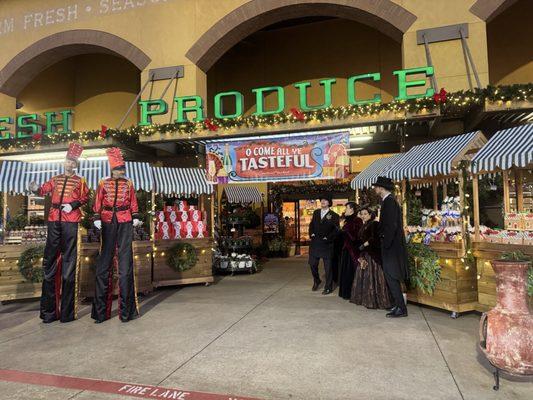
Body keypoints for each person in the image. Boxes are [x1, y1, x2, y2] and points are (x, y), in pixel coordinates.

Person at [29, 143, 89, 323]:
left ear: (76, 165)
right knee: (50, 261)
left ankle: (67, 314)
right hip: (54, 219)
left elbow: (86, 197)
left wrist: (74, 204)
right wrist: (34, 189)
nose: (69, 164)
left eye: (72, 162)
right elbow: (43, 190)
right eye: (68, 161)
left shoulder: (81, 181)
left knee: (69, 261)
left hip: (71, 220)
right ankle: (48, 313)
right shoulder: (54, 179)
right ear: (64, 162)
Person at [91, 148, 142, 323]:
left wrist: (135, 216)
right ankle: (100, 313)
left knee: (125, 263)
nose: (120, 171)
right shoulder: (103, 183)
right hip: (106, 221)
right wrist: (96, 217)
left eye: (122, 169)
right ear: (111, 169)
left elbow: (133, 201)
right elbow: (97, 201)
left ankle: (126, 312)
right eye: (118, 169)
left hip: (125, 221)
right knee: (104, 263)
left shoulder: (129, 184)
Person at [372, 176, 409, 318]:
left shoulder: (390, 202)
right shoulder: (388, 201)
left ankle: (401, 308)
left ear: (381, 188)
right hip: (390, 245)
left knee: (391, 275)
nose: (375, 189)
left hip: (391, 247)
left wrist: (385, 242)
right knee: (390, 275)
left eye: (376, 187)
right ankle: (398, 304)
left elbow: (392, 226)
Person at [351, 205, 393, 309]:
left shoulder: (374, 224)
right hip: (365, 253)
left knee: (375, 278)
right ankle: (368, 300)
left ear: (370, 214)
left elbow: (375, 238)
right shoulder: (364, 225)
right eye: (362, 214)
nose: (363, 216)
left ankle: (378, 301)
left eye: (366, 214)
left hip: (373, 255)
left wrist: (365, 244)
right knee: (366, 278)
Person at [308, 196, 340, 295]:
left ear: (329, 202)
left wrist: (328, 238)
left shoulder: (334, 215)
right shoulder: (316, 212)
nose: (323, 201)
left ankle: (328, 287)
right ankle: (317, 280)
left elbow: (336, 230)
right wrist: (311, 233)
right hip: (315, 243)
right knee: (312, 264)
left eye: (325, 200)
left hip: (327, 244)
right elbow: (311, 225)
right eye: (321, 200)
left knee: (328, 267)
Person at [338, 202, 363, 300]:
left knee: (351, 272)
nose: (345, 210)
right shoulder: (347, 221)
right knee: (346, 272)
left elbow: (356, 237)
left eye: (347, 208)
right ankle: (346, 292)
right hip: (346, 250)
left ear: (352, 209)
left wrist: (345, 230)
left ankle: (353, 293)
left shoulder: (357, 220)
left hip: (353, 251)